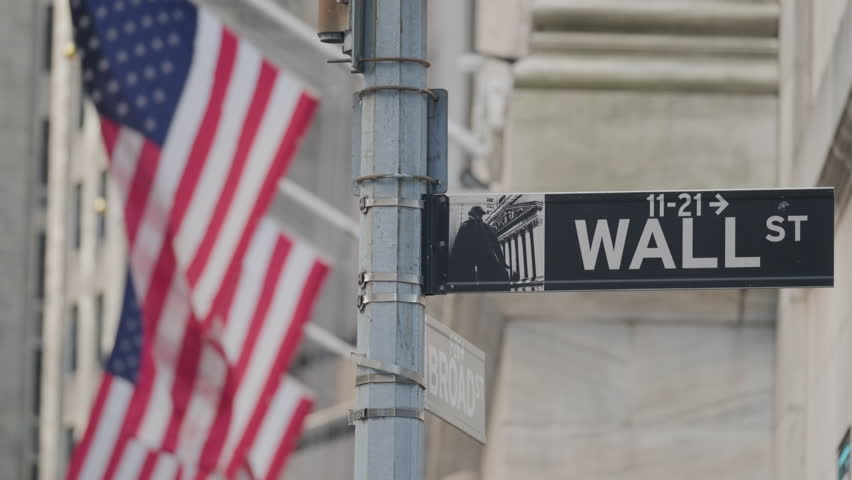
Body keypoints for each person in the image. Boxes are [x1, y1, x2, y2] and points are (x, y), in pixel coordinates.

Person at [448, 206, 516, 290]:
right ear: (474, 214)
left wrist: (503, 263)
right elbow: (457, 249)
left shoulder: (484, 227)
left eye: (480, 215)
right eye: (478, 214)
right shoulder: (468, 226)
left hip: (483, 263)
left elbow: (496, 247)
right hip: (472, 263)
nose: (479, 216)